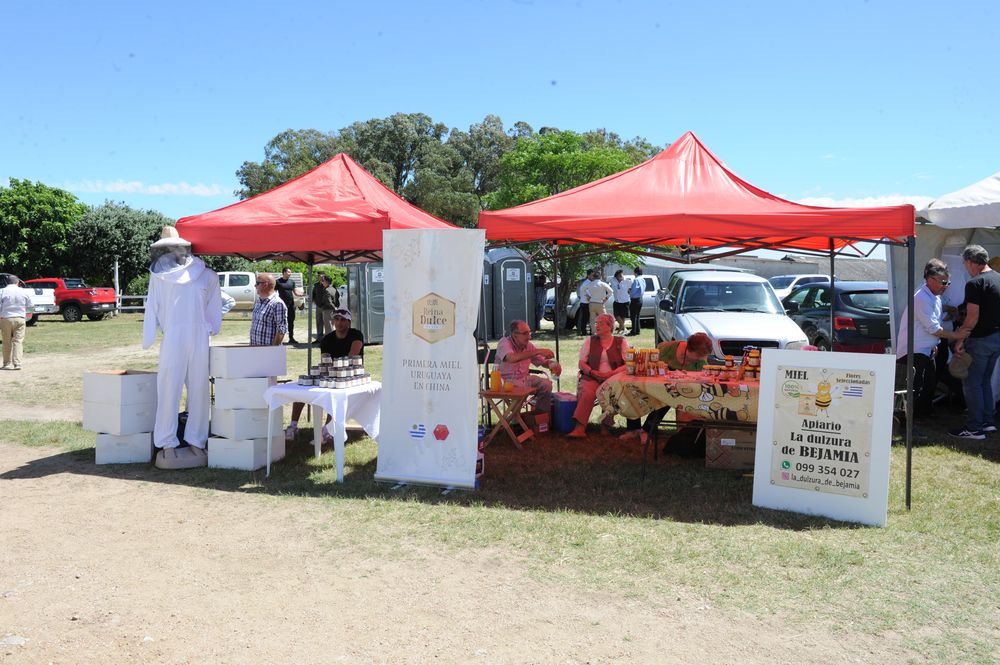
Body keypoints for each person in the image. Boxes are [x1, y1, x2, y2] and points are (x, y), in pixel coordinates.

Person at [142, 226, 223, 470]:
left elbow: (214, 306)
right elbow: (151, 307)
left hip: (199, 334)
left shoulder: (207, 275)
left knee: (199, 388)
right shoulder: (158, 276)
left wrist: (210, 327)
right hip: (173, 335)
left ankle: (197, 439)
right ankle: (166, 441)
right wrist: (149, 335)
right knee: (168, 386)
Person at [895, 259, 961, 419]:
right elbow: (933, 328)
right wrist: (957, 335)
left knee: (929, 385)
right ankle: (904, 422)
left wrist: (934, 343)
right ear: (930, 280)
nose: (946, 286)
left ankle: (920, 417)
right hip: (914, 350)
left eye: (948, 283)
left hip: (925, 349)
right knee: (913, 388)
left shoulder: (934, 297)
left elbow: (933, 323)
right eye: (943, 282)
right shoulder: (921, 298)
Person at [286, 308, 364, 444]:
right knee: (302, 388)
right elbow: (325, 360)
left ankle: (327, 429)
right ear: (333, 321)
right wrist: (330, 370)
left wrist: (336, 368)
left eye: (343, 320)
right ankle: (293, 426)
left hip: (351, 375)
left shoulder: (356, 335)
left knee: (334, 396)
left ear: (349, 322)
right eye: (336, 319)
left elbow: (352, 356)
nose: (339, 323)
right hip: (330, 374)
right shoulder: (327, 339)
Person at [621, 332, 713, 445]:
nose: (701, 359)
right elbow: (649, 363)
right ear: (689, 349)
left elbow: (700, 380)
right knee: (633, 390)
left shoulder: (701, 360)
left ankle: (647, 430)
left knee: (667, 397)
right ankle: (633, 429)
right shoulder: (667, 348)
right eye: (698, 356)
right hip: (654, 379)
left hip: (677, 387)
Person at [950, 245, 1000, 439]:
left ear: (971, 262)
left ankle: (974, 428)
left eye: (965, 263)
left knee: (972, 383)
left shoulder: (975, 283)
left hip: (980, 339)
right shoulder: (998, 278)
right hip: (997, 338)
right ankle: (987, 422)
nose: (965, 267)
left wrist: (959, 339)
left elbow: (972, 317)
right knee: (985, 381)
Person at [568, 313, 628, 438]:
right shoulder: (590, 341)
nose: (597, 326)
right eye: (596, 323)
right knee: (587, 392)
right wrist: (591, 372)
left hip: (613, 378)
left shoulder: (621, 342)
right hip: (592, 377)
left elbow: (628, 364)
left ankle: (606, 426)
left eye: (601, 323)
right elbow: (581, 363)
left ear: (610, 326)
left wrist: (612, 373)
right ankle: (579, 428)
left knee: (612, 392)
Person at [494, 319, 562, 416]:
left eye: (529, 333)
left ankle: (540, 417)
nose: (529, 337)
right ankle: (516, 420)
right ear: (514, 335)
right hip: (505, 381)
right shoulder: (504, 342)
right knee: (523, 388)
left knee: (546, 384)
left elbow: (543, 362)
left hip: (524, 379)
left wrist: (554, 365)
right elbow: (511, 358)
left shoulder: (528, 346)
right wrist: (538, 351)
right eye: (525, 333)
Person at [0, 275, 33, 370]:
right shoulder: (23, 291)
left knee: (6, 342)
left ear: (7, 282)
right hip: (20, 318)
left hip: (6, 318)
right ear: (17, 282)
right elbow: (30, 305)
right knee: (18, 341)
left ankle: (7, 364)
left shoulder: (2, 291)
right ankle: (17, 363)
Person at [250, 273, 287, 347]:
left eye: (257, 283)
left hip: (268, 350)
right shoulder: (258, 301)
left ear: (265, 284)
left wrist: (272, 350)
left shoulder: (277, 303)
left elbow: (281, 329)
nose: (255, 286)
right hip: (255, 348)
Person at [582, 272, 613, 337]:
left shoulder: (590, 284)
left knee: (592, 320)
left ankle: (594, 333)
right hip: (600, 303)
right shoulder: (602, 284)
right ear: (600, 277)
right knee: (604, 319)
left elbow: (583, 289)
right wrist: (606, 298)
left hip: (592, 303)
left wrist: (587, 296)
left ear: (593, 277)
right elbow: (611, 291)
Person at [275, 267, 299, 344]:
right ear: (284, 272)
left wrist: (303, 295)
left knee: (291, 322)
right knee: (280, 322)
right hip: (281, 306)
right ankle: (277, 339)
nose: (290, 273)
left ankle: (291, 338)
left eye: (290, 272)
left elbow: (296, 293)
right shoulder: (278, 282)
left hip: (291, 305)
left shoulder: (292, 282)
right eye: (288, 272)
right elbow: (274, 293)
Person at [311, 273, 338, 340]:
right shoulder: (317, 285)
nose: (322, 281)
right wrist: (336, 307)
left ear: (326, 281)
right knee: (329, 325)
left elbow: (329, 301)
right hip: (324, 307)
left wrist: (334, 307)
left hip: (327, 309)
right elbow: (313, 295)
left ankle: (329, 341)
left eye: (323, 280)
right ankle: (321, 339)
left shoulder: (327, 289)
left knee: (328, 326)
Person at [610, 269, 632, 334]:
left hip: (625, 301)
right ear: (616, 277)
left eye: (621, 275)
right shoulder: (613, 281)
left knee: (623, 316)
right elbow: (608, 279)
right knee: (616, 315)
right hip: (616, 301)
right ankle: (624, 328)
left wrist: (629, 293)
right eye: (619, 276)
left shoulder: (627, 281)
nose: (621, 277)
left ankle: (620, 330)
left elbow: (630, 289)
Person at [576, 269, 595, 336]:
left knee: (587, 318)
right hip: (586, 303)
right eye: (592, 275)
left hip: (585, 303)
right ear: (588, 275)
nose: (593, 276)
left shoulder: (588, 282)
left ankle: (587, 331)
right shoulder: (587, 283)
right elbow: (588, 295)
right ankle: (584, 332)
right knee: (586, 318)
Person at [628, 266, 644, 336]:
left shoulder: (636, 280)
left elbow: (633, 291)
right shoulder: (643, 279)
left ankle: (633, 331)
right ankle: (637, 330)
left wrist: (629, 291)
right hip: (640, 298)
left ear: (636, 273)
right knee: (637, 316)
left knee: (633, 316)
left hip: (635, 299)